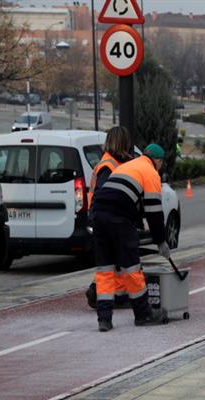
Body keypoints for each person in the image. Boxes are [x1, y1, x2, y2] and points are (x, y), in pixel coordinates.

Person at [91, 143, 170, 332]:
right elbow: (154, 211)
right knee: (131, 267)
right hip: (118, 219)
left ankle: (104, 319)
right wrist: (161, 241)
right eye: (161, 163)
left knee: (105, 270)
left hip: (98, 216)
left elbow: (122, 195)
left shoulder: (128, 166)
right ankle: (144, 314)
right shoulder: (151, 173)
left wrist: (135, 219)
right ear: (157, 161)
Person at [85, 126, 134, 310]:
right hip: (108, 217)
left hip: (100, 217)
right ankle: (103, 292)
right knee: (117, 260)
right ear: (122, 143)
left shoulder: (109, 163)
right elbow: (106, 194)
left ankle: (102, 291)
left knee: (112, 260)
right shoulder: (109, 166)